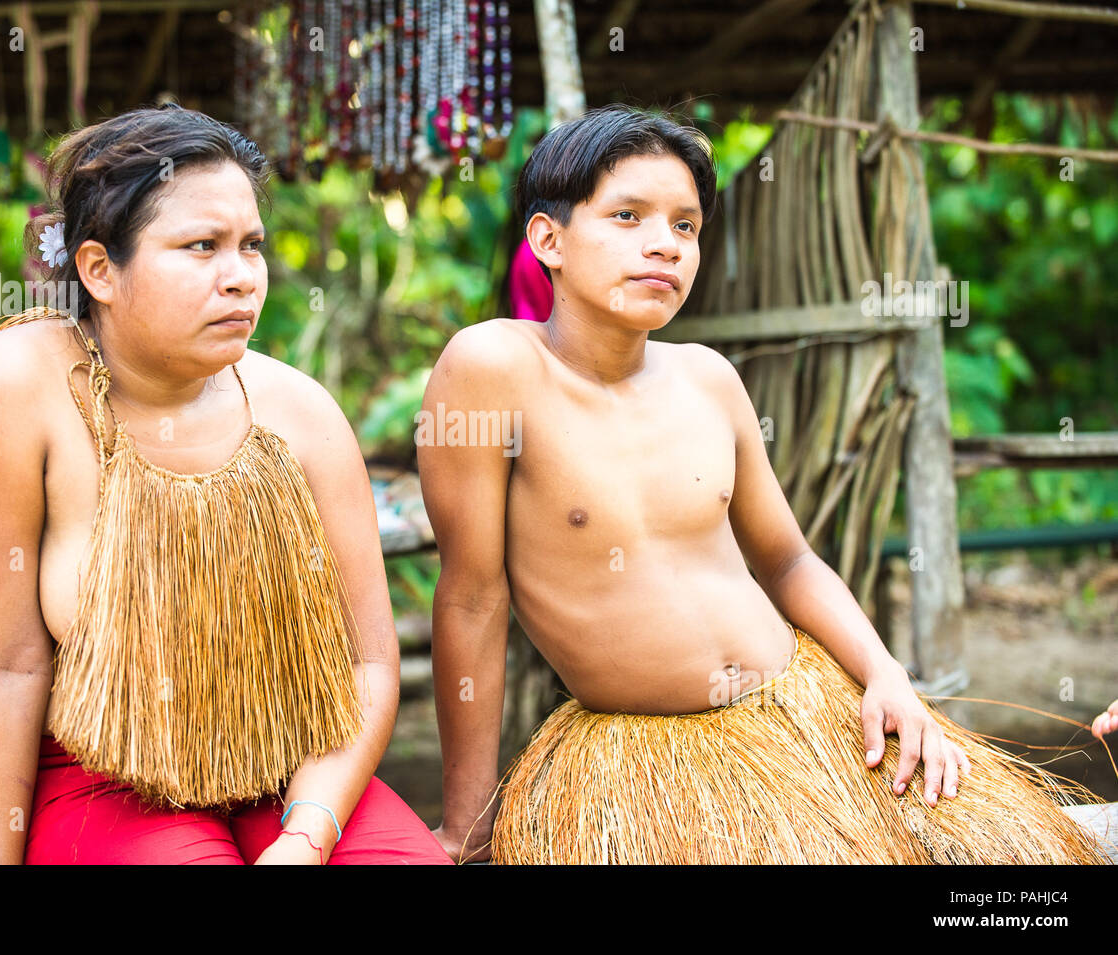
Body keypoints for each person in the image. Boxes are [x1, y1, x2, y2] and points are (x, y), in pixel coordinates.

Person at [418, 104, 1110, 864]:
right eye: (627, 216)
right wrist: (466, 822)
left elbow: (787, 560)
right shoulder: (494, 367)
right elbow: (473, 597)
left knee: (1016, 865)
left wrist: (885, 674)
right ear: (548, 239)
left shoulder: (708, 377)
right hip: (647, 762)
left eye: (686, 226)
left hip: (806, 711)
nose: (664, 245)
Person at [0, 104, 451, 865]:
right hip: (100, 777)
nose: (241, 275)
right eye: (201, 246)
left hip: (292, 769)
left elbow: (367, 663)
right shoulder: (9, 393)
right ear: (98, 269)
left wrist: (307, 835)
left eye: (252, 245)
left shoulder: (300, 411)